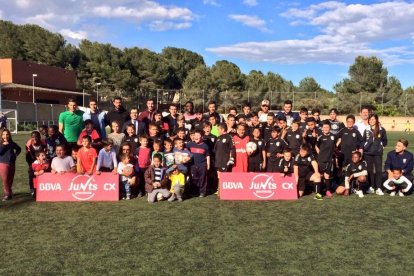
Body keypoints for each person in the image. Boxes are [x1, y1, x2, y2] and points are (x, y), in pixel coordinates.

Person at [362, 114, 387, 195]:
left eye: (373, 119)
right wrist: (366, 146)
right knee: (369, 171)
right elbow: (363, 141)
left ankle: (379, 188)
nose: (371, 121)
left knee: (378, 170)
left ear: (376, 120)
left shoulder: (381, 130)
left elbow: (385, 140)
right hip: (368, 153)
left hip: (377, 153)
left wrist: (381, 146)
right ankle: (371, 187)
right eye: (370, 119)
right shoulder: (366, 130)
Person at [315, 121, 337, 198]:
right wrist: (319, 154)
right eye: (324, 127)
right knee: (320, 175)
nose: (326, 129)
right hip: (321, 159)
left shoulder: (333, 136)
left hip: (329, 159)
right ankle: (319, 192)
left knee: (327, 176)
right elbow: (316, 146)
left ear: (330, 128)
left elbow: (335, 145)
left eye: (327, 127)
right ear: (322, 128)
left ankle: (328, 191)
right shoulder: (320, 137)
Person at [187, 129, 210, 197]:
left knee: (202, 178)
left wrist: (208, 165)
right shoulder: (190, 144)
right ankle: (195, 191)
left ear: (202, 136)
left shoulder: (205, 146)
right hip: (193, 165)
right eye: (195, 135)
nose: (195, 137)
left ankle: (202, 192)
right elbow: (183, 148)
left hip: (202, 165)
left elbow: (207, 155)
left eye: (198, 135)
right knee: (194, 178)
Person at [0, 129, 21, 201]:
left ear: (9, 135)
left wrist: (15, 155)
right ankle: (7, 194)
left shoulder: (12, 143)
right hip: (3, 163)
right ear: (1, 135)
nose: (5, 136)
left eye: (7, 134)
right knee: (5, 179)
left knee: (10, 179)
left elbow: (19, 149)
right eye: (3, 134)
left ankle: (9, 191)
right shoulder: (0, 143)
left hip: (12, 163)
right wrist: (4, 145)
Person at [26, 131, 47, 196]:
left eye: (37, 137)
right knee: (31, 174)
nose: (35, 138)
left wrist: (43, 161)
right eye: (33, 137)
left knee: (44, 173)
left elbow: (46, 152)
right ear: (31, 137)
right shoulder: (28, 144)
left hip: (43, 162)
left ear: (40, 137)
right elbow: (27, 156)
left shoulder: (43, 143)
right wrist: (32, 165)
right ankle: (32, 188)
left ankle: (44, 187)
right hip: (33, 162)